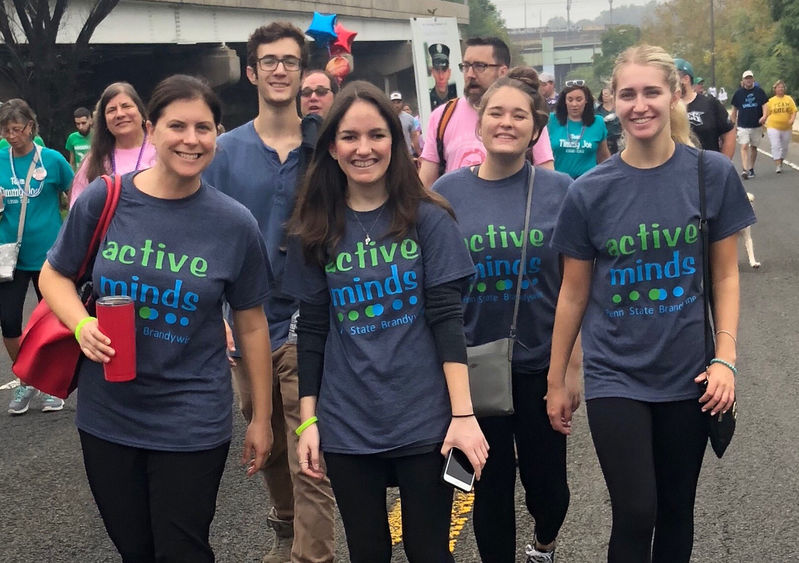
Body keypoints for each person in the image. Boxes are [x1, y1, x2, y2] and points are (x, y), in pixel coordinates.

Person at [39, 74, 274, 562]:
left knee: (182, 549)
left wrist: (263, 419)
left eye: (204, 128)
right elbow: (53, 276)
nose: (191, 139)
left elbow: (251, 323)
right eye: (177, 125)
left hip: (192, 414)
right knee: (135, 549)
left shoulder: (234, 223)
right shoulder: (105, 199)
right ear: (151, 129)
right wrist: (82, 326)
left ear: (217, 134)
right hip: (108, 412)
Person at [546, 45, 755, 563]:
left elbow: (726, 274)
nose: (640, 105)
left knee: (677, 508)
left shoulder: (711, 174)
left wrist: (725, 358)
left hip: (690, 374)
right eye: (628, 94)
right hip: (617, 375)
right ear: (611, 101)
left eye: (652, 92)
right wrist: (558, 379)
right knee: (637, 511)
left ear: (675, 94)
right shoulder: (589, 192)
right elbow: (572, 292)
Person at [286, 80, 488, 563]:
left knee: (429, 552)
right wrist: (308, 420)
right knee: (368, 552)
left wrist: (462, 416)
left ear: (396, 144)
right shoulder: (314, 227)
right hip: (347, 421)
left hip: (423, 417)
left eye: (377, 135)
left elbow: (446, 320)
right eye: (350, 137)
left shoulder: (428, 219)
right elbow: (312, 329)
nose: (363, 149)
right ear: (332, 147)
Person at [432, 67, 581, 563]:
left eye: (520, 115)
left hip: (541, 363)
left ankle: (544, 543)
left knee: (549, 493)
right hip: (475, 366)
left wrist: (570, 370)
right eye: (496, 112)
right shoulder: (447, 193)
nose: (506, 122)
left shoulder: (560, 190)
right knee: (488, 491)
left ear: (536, 129)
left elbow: (576, 288)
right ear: (480, 123)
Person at [202, 22, 336, 563]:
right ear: (252, 72)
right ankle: (285, 532)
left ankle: (313, 556)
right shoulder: (224, 151)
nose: (280, 69)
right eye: (269, 61)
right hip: (248, 321)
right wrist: (217, 315)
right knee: (271, 444)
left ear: (303, 72)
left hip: (315, 319)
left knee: (311, 452)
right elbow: (205, 235)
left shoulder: (326, 146)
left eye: (290, 60)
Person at [0, 99, 73, 415]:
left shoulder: (53, 160)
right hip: (9, 256)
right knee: (9, 322)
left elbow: (80, 196)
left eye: (17, 129)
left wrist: (76, 237)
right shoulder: (0, 159)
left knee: (55, 323)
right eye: (6, 130)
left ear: (31, 126)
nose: (11, 136)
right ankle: (26, 378)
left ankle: (52, 385)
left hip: (49, 256)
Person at [419, 37, 555, 188]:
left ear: (502, 71)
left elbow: (547, 181)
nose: (470, 74)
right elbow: (426, 184)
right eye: (466, 66)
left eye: (480, 66)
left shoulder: (523, 117)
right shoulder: (442, 116)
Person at [69, 82, 157, 206]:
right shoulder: (94, 160)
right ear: (104, 121)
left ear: (140, 111)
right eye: (112, 110)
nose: (120, 114)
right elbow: (77, 210)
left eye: (126, 106)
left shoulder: (162, 150)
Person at [548, 81, 610, 178]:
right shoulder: (552, 120)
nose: (574, 104)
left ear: (586, 100)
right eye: (570, 99)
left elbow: (603, 158)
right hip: (558, 183)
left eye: (579, 99)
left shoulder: (598, 122)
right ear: (564, 101)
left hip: (588, 183)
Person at [674, 58, 734, 158]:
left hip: (707, 168)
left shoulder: (710, 103)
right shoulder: (667, 107)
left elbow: (729, 132)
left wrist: (723, 165)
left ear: (686, 79)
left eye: (672, 77)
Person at [730, 70, 768, 179]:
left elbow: (765, 106)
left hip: (756, 124)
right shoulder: (738, 93)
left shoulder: (759, 92)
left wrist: (764, 116)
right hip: (743, 125)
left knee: (754, 147)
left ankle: (751, 168)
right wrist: (733, 125)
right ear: (743, 81)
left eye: (750, 78)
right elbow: (734, 111)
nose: (748, 80)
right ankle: (745, 170)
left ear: (753, 79)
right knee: (744, 146)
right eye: (746, 78)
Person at [762, 79, 796, 173]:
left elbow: (793, 111)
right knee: (775, 145)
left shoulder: (789, 99)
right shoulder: (771, 101)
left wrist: (792, 119)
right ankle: (778, 165)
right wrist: (762, 121)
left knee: (784, 147)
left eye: (782, 87)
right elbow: (766, 113)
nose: (781, 89)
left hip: (786, 127)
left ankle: (780, 161)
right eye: (779, 87)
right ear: (775, 89)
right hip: (773, 126)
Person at [390, 91, 421, 157]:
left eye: (398, 102)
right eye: (393, 103)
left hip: (407, 154)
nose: (396, 105)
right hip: (391, 155)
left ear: (402, 103)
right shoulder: (386, 118)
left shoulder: (409, 118)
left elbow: (414, 137)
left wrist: (419, 154)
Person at [429, 43, 458, 111]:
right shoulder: (428, 99)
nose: (441, 77)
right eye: (437, 71)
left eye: (444, 71)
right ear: (433, 72)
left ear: (449, 73)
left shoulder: (457, 96)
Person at [595, 87, 623, 154]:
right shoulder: (597, 111)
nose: (604, 96)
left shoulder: (619, 109)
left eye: (606, 94)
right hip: (602, 142)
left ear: (612, 95)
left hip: (618, 142)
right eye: (603, 94)